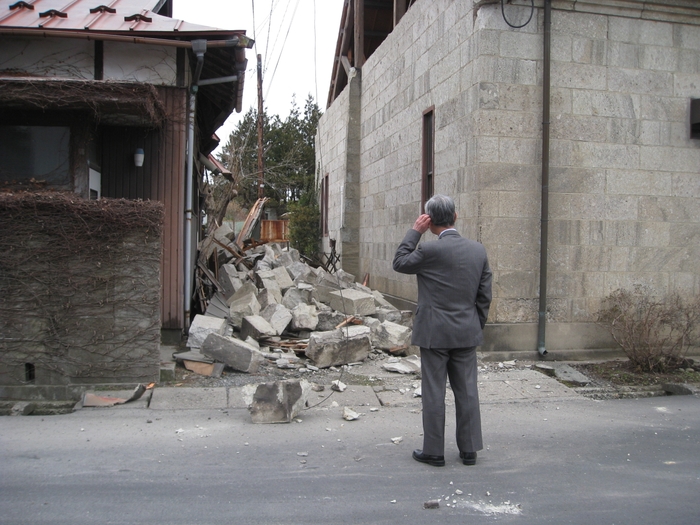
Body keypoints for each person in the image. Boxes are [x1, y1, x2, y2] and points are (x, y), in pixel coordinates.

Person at [392, 194, 492, 467]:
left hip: (434, 333)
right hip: (465, 331)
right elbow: (485, 296)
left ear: (430, 221)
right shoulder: (477, 250)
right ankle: (469, 450)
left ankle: (434, 451)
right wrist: (474, 325)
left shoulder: (427, 251)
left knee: (434, 391)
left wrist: (415, 232)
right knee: (467, 390)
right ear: (455, 216)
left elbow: (399, 262)